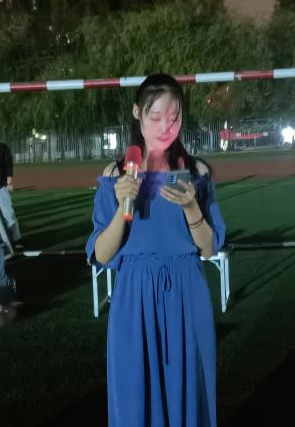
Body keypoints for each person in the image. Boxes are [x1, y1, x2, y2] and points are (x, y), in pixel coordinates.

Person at [87, 74, 226, 426]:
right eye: (156, 116)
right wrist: (122, 206)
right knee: (136, 394)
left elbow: (208, 247)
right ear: (137, 112)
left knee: (188, 389)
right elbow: (101, 255)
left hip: (186, 291)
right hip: (133, 295)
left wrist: (191, 207)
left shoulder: (196, 171)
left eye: (175, 117)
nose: (166, 127)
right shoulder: (116, 174)